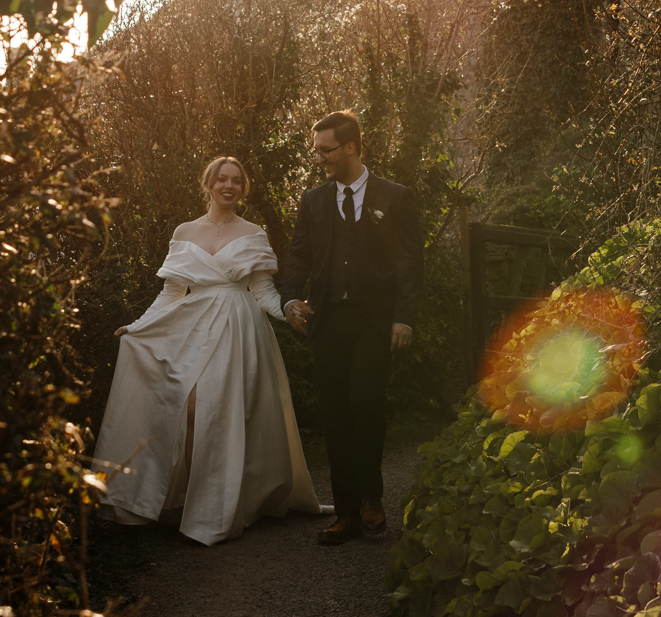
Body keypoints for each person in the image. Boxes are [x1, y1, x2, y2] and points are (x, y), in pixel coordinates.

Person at [90, 156, 320, 545]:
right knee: (190, 408)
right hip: (191, 327)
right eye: (222, 180)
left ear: (242, 188)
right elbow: (171, 293)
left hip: (239, 329)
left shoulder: (253, 233)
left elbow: (263, 292)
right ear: (208, 184)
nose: (229, 186)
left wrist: (289, 311)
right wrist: (138, 327)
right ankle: (184, 500)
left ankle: (214, 507)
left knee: (218, 413)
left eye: (236, 181)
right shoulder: (184, 231)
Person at [280, 110, 423, 546]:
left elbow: (410, 264)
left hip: (373, 321)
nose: (319, 158)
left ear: (352, 148)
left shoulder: (396, 197)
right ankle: (345, 512)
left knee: (365, 402)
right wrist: (289, 297)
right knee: (336, 415)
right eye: (317, 150)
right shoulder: (313, 200)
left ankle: (371, 499)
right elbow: (300, 254)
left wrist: (404, 316)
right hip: (326, 323)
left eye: (326, 150)